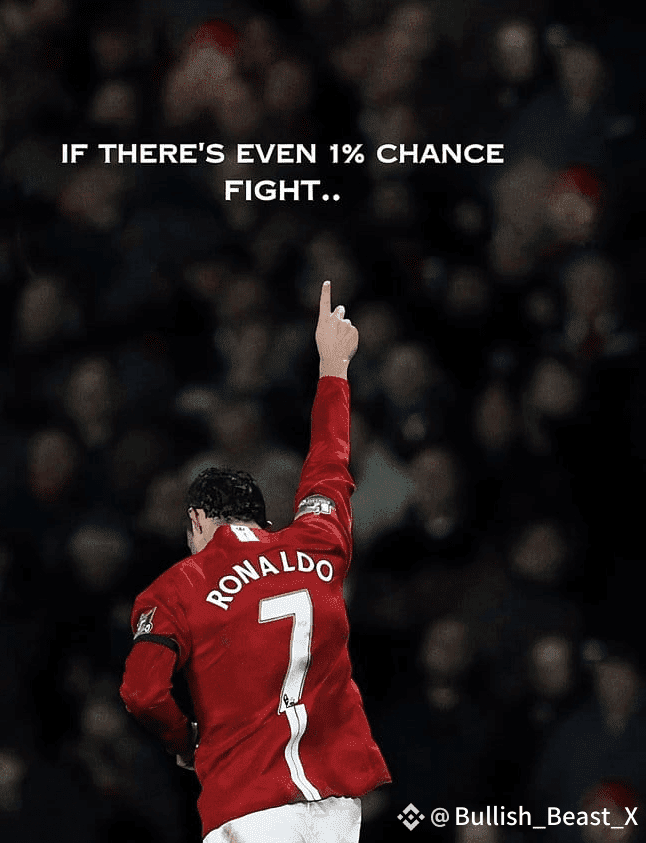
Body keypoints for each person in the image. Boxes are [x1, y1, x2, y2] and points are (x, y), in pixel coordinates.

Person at [120, 280, 391, 842]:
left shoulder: (178, 586)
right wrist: (333, 367)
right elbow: (329, 464)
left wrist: (185, 741)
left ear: (197, 520)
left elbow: (142, 693)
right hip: (337, 805)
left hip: (247, 806)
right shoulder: (316, 542)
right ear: (262, 520)